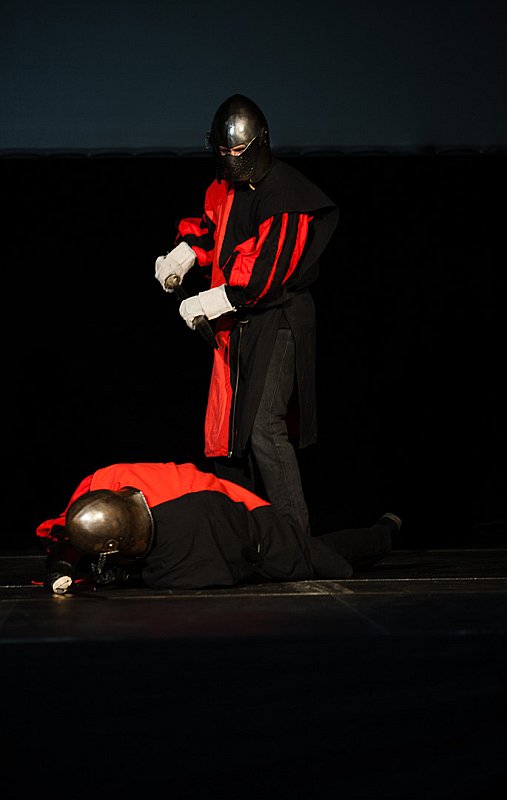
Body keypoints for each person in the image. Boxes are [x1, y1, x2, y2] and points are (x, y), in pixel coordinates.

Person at [154, 94, 339, 537]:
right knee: (230, 434)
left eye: (238, 150)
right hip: (237, 324)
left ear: (260, 142)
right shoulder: (225, 187)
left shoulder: (285, 196)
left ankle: (294, 539)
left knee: (263, 427)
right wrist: (183, 254)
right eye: (223, 151)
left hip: (277, 321)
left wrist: (205, 303)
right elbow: (212, 232)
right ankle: (248, 536)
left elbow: (261, 281)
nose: (231, 159)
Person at [36, 461, 402, 594]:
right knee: (310, 549)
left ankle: (383, 534)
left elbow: (222, 568)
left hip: (244, 520)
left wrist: (124, 576)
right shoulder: (108, 480)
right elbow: (72, 531)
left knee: (315, 556)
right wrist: (62, 565)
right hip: (209, 505)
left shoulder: (186, 555)